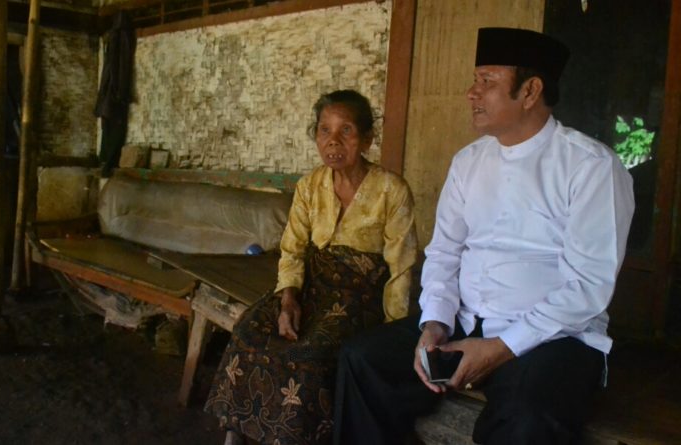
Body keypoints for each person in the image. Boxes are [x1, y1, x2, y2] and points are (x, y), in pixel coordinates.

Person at [332, 27, 635, 445]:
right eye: (475, 80)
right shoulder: (468, 161)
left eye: (487, 82)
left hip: (552, 338)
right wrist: (435, 322)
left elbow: (588, 286)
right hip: (464, 322)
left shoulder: (591, 166)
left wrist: (501, 347)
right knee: (362, 360)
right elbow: (444, 252)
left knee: (530, 416)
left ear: (530, 91)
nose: (471, 93)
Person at [204, 89, 419, 445]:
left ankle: (291, 438)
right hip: (311, 284)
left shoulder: (391, 190)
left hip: (358, 294)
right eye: (324, 130)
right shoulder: (309, 186)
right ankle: (235, 432)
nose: (333, 141)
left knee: (309, 353)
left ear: (367, 139)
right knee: (249, 330)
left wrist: (391, 331)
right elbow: (292, 249)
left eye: (346, 130)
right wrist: (288, 298)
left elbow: (401, 267)